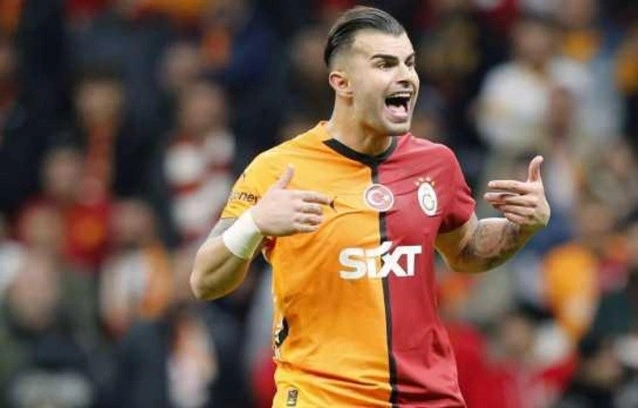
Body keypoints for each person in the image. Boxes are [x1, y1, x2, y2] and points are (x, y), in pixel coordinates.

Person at [190, 6, 551, 407]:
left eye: (409, 63)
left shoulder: (436, 164)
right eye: (385, 64)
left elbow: (465, 250)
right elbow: (204, 280)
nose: (405, 76)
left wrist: (522, 227)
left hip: (428, 399)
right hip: (323, 399)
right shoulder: (278, 169)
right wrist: (255, 223)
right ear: (342, 82)